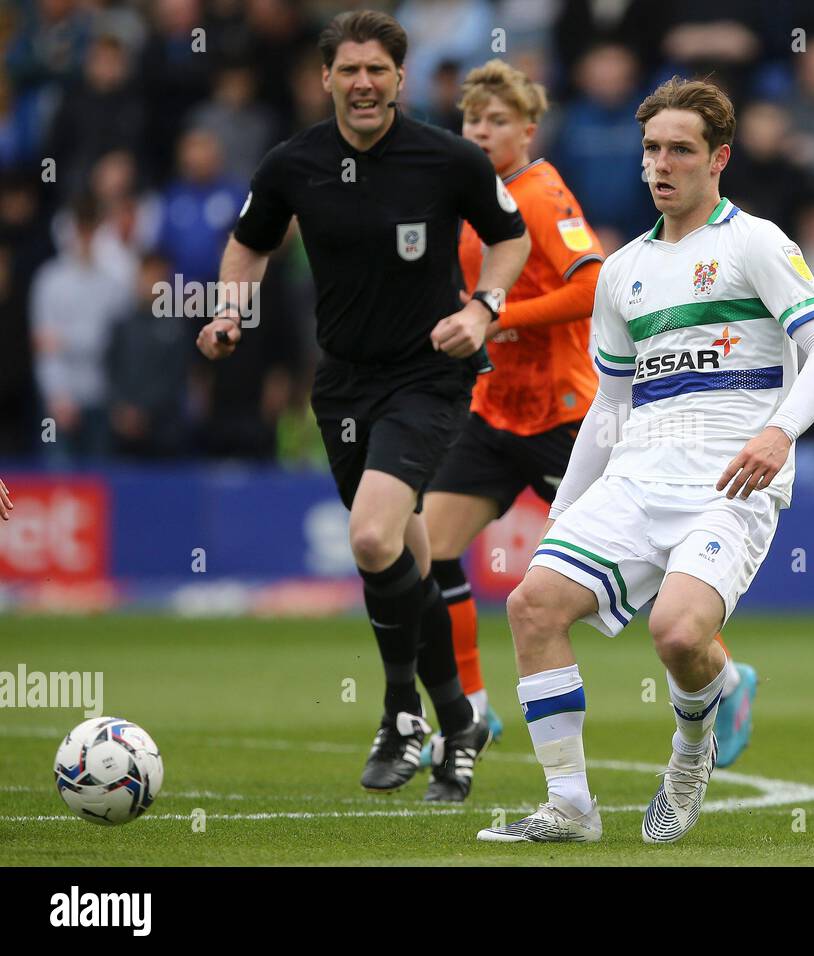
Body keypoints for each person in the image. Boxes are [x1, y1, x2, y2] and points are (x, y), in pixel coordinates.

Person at [478, 78, 814, 844]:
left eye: (680, 149)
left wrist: (779, 431)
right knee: (532, 605)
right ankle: (570, 807)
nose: (661, 163)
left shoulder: (756, 242)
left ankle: (691, 749)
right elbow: (611, 407)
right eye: (651, 148)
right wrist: (562, 512)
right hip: (637, 474)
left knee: (680, 635)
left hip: (731, 480)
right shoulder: (622, 272)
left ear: (719, 158)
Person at [195, 10, 530, 798]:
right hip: (341, 383)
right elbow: (250, 241)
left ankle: (398, 714)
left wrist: (483, 306)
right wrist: (229, 309)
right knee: (405, 557)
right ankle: (457, 723)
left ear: (400, 79)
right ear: (326, 79)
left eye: (378, 69)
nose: (364, 83)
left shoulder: (447, 158)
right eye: (349, 70)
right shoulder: (293, 164)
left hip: (428, 375)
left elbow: (509, 235)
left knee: (374, 537)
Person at [418, 60, 762, 792]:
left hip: (569, 413)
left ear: (528, 130)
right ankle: (472, 708)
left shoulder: (539, 196)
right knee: (424, 549)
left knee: (656, 577)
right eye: (471, 120)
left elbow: (587, 284)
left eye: (497, 121)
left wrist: (494, 315)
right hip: (495, 414)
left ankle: (725, 678)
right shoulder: (469, 199)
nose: (481, 132)